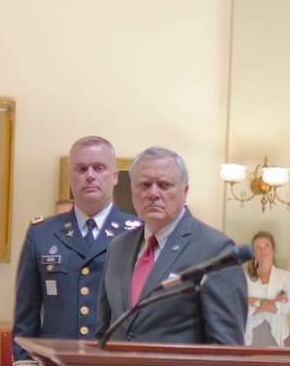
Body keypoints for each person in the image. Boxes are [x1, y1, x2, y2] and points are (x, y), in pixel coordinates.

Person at [10, 136, 139, 366]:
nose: (90, 176)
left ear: (114, 177)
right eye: (81, 169)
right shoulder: (43, 233)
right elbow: (26, 313)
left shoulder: (137, 233)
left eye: (99, 168)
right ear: (70, 177)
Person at [97, 146, 248, 345]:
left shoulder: (215, 250)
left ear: (185, 192)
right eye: (144, 185)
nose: (153, 193)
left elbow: (226, 347)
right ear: (132, 189)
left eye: (164, 185)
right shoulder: (118, 246)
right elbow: (104, 332)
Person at [243, 231, 290, 347]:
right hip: (252, 333)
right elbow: (243, 310)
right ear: (254, 253)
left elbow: (285, 308)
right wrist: (272, 303)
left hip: (277, 332)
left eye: (267, 246)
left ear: (273, 251)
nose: (263, 250)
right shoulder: (246, 278)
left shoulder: (284, 276)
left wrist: (253, 301)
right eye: (258, 247)